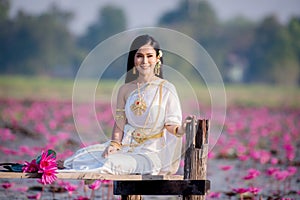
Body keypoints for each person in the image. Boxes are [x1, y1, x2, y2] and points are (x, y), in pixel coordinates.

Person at [61, 34, 186, 175]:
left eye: (149, 56)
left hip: (152, 153)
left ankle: (97, 171)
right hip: (126, 146)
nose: (144, 61)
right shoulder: (125, 89)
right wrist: (114, 144)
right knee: (83, 156)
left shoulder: (167, 88)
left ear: (157, 58)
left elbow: (171, 124)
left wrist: (181, 129)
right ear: (133, 58)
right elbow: (120, 121)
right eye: (140, 56)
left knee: (112, 163)